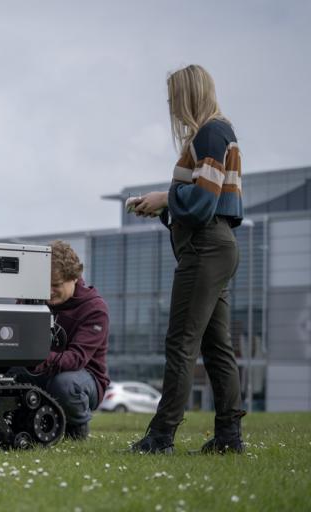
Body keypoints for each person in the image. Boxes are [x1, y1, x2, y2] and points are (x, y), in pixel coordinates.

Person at [128, 64, 245, 454]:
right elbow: (205, 202)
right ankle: (229, 437)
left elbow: (201, 202)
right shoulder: (217, 133)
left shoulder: (211, 133)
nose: (170, 105)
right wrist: (161, 206)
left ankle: (161, 437)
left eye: (173, 96)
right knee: (216, 347)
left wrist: (167, 199)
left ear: (188, 95)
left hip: (206, 248)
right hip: (218, 245)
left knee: (181, 343)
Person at [13, 240, 110, 440]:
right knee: (8, 375)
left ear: (74, 277)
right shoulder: (31, 300)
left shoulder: (94, 309)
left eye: (55, 285)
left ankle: (77, 430)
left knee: (65, 384)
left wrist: (37, 360)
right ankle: (17, 426)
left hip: (84, 378)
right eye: (44, 285)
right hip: (39, 368)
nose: (48, 292)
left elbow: (76, 359)